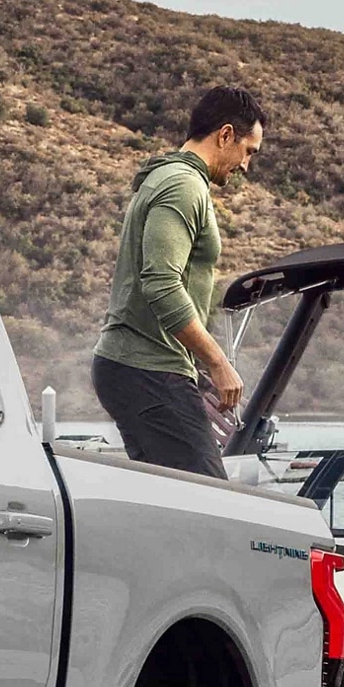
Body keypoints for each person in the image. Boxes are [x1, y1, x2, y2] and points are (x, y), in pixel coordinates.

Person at [89, 85, 265, 477]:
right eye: (248, 151)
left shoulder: (172, 178)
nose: (245, 166)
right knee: (209, 503)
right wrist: (217, 362)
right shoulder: (182, 186)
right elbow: (162, 284)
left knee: (172, 507)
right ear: (225, 135)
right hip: (147, 368)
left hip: (142, 367)